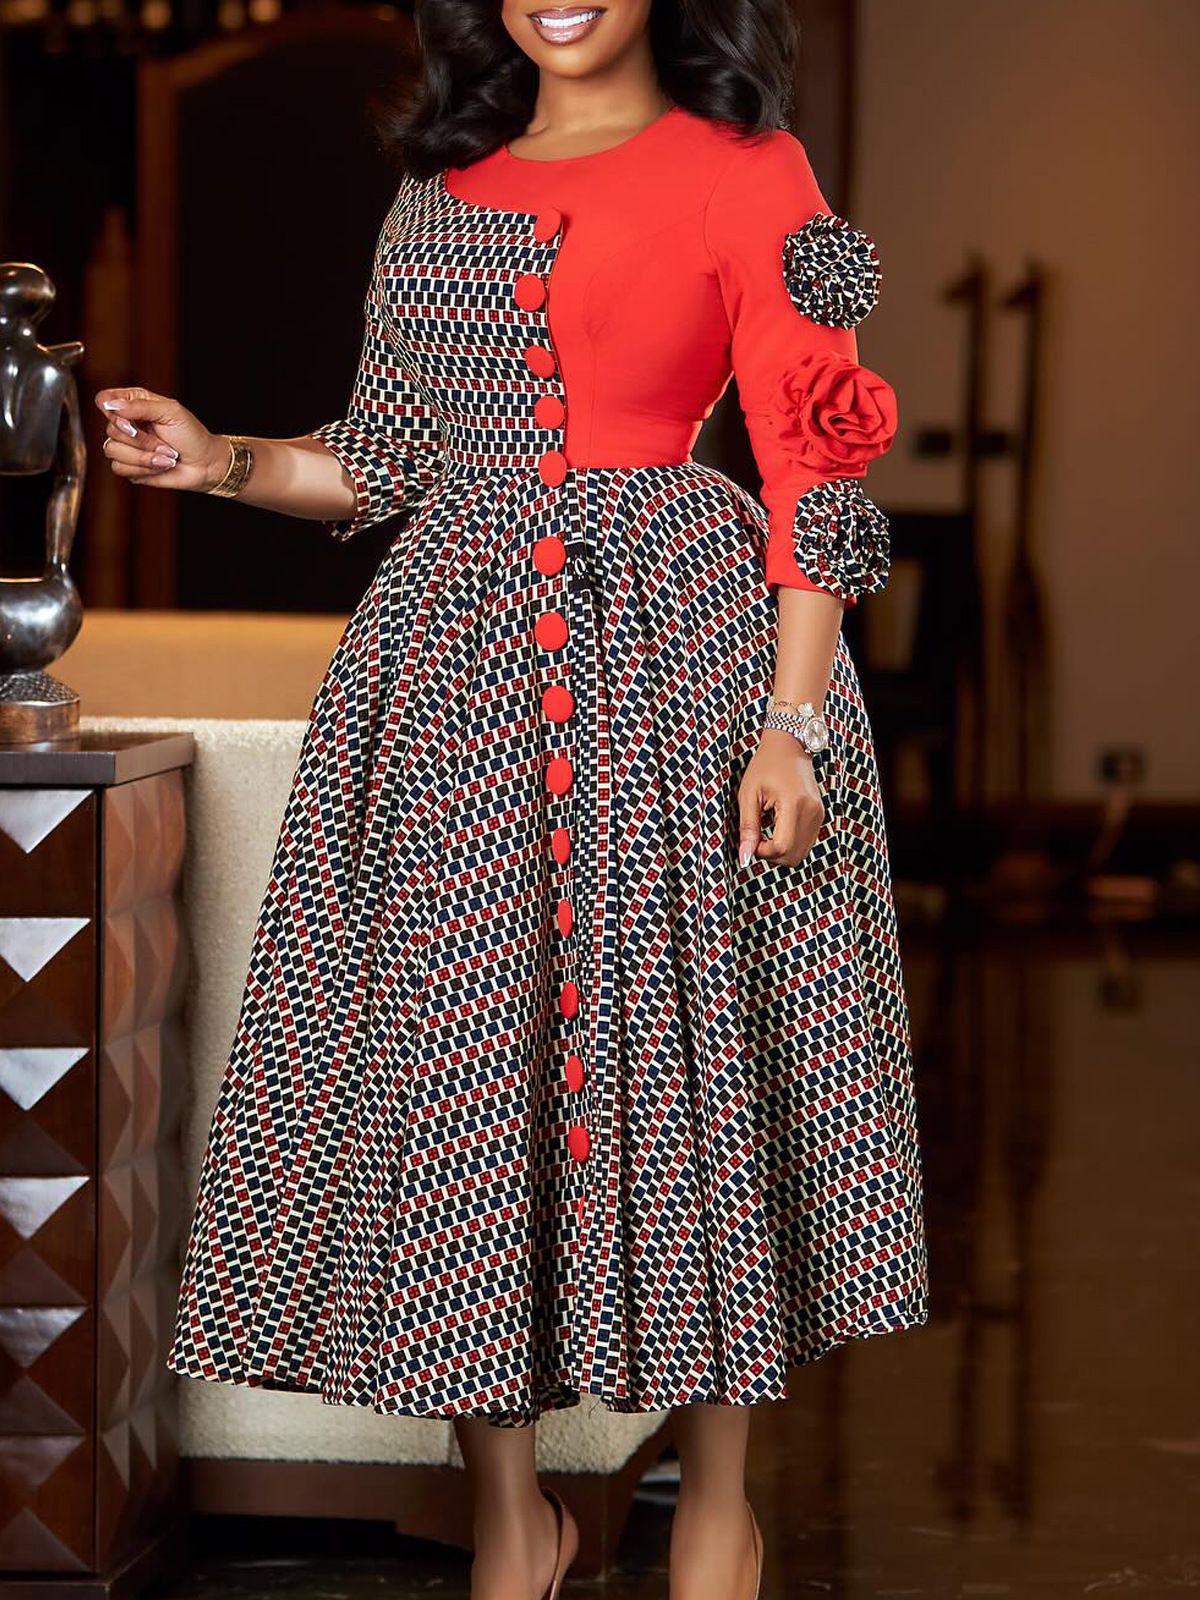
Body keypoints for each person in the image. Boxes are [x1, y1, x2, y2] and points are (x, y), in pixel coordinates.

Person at [95, 2, 930, 1595]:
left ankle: (717, 1506)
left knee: (693, 1070)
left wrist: (794, 726)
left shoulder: (749, 166)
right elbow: (386, 461)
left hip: (679, 659)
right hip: (452, 677)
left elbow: (817, 463)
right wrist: (220, 460)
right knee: (457, 1077)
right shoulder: (442, 179)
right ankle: (509, 1520)